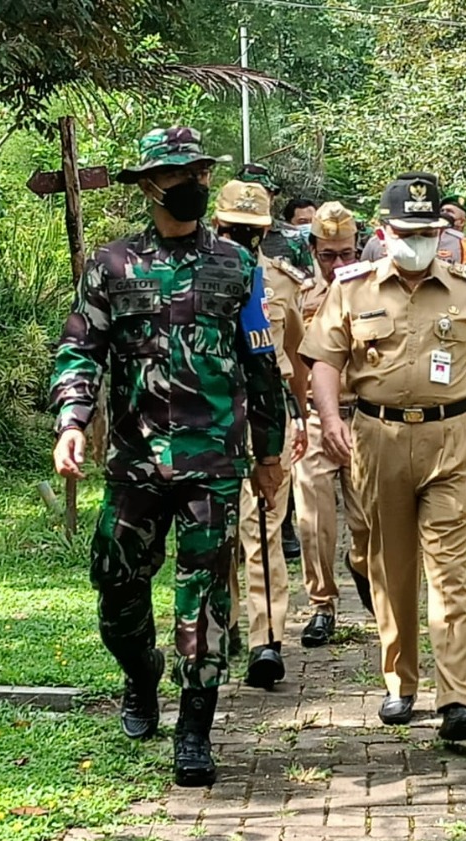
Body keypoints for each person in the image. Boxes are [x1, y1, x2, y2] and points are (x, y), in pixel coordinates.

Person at [50, 127, 286, 788]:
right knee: (116, 593)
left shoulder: (236, 267)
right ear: (148, 185)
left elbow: (262, 366)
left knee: (204, 601)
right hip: (134, 464)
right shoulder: (113, 266)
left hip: (213, 463)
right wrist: (72, 421)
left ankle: (194, 731)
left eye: (199, 171)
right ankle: (141, 673)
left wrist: (269, 451)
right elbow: (79, 350)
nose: (192, 183)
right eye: (177, 173)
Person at [301, 173, 466, 743]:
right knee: (390, 567)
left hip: (452, 440)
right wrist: (329, 421)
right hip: (378, 438)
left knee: (448, 574)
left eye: (429, 231)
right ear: (384, 231)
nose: (419, 240)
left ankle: (457, 699)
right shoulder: (352, 288)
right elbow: (323, 360)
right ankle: (401, 682)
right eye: (407, 231)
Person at [212, 179, 310, 688]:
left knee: (263, 528)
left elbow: (293, 356)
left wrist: (300, 417)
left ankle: (265, 641)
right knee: (214, 533)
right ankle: (223, 622)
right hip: (207, 422)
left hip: (264, 422)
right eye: (234, 229)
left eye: (252, 232)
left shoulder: (279, 282)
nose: (242, 240)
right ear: (216, 225)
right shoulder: (191, 275)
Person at [291, 201, 373, 647]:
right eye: (329, 255)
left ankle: (361, 567)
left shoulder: (376, 294)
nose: (339, 263)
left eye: (346, 254)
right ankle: (322, 604)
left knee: (369, 521)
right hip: (314, 421)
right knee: (314, 518)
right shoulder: (301, 295)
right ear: (313, 250)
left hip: (365, 418)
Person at [361, 177, 466, 265]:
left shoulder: (460, 243)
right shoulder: (374, 244)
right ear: (382, 236)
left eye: (426, 232)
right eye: (405, 232)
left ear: (439, 232)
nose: (416, 239)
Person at [235, 162, 315, 274]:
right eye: (248, 193)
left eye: (262, 193)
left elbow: (307, 283)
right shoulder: (219, 235)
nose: (253, 199)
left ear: (272, 197)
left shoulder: (293, 237)